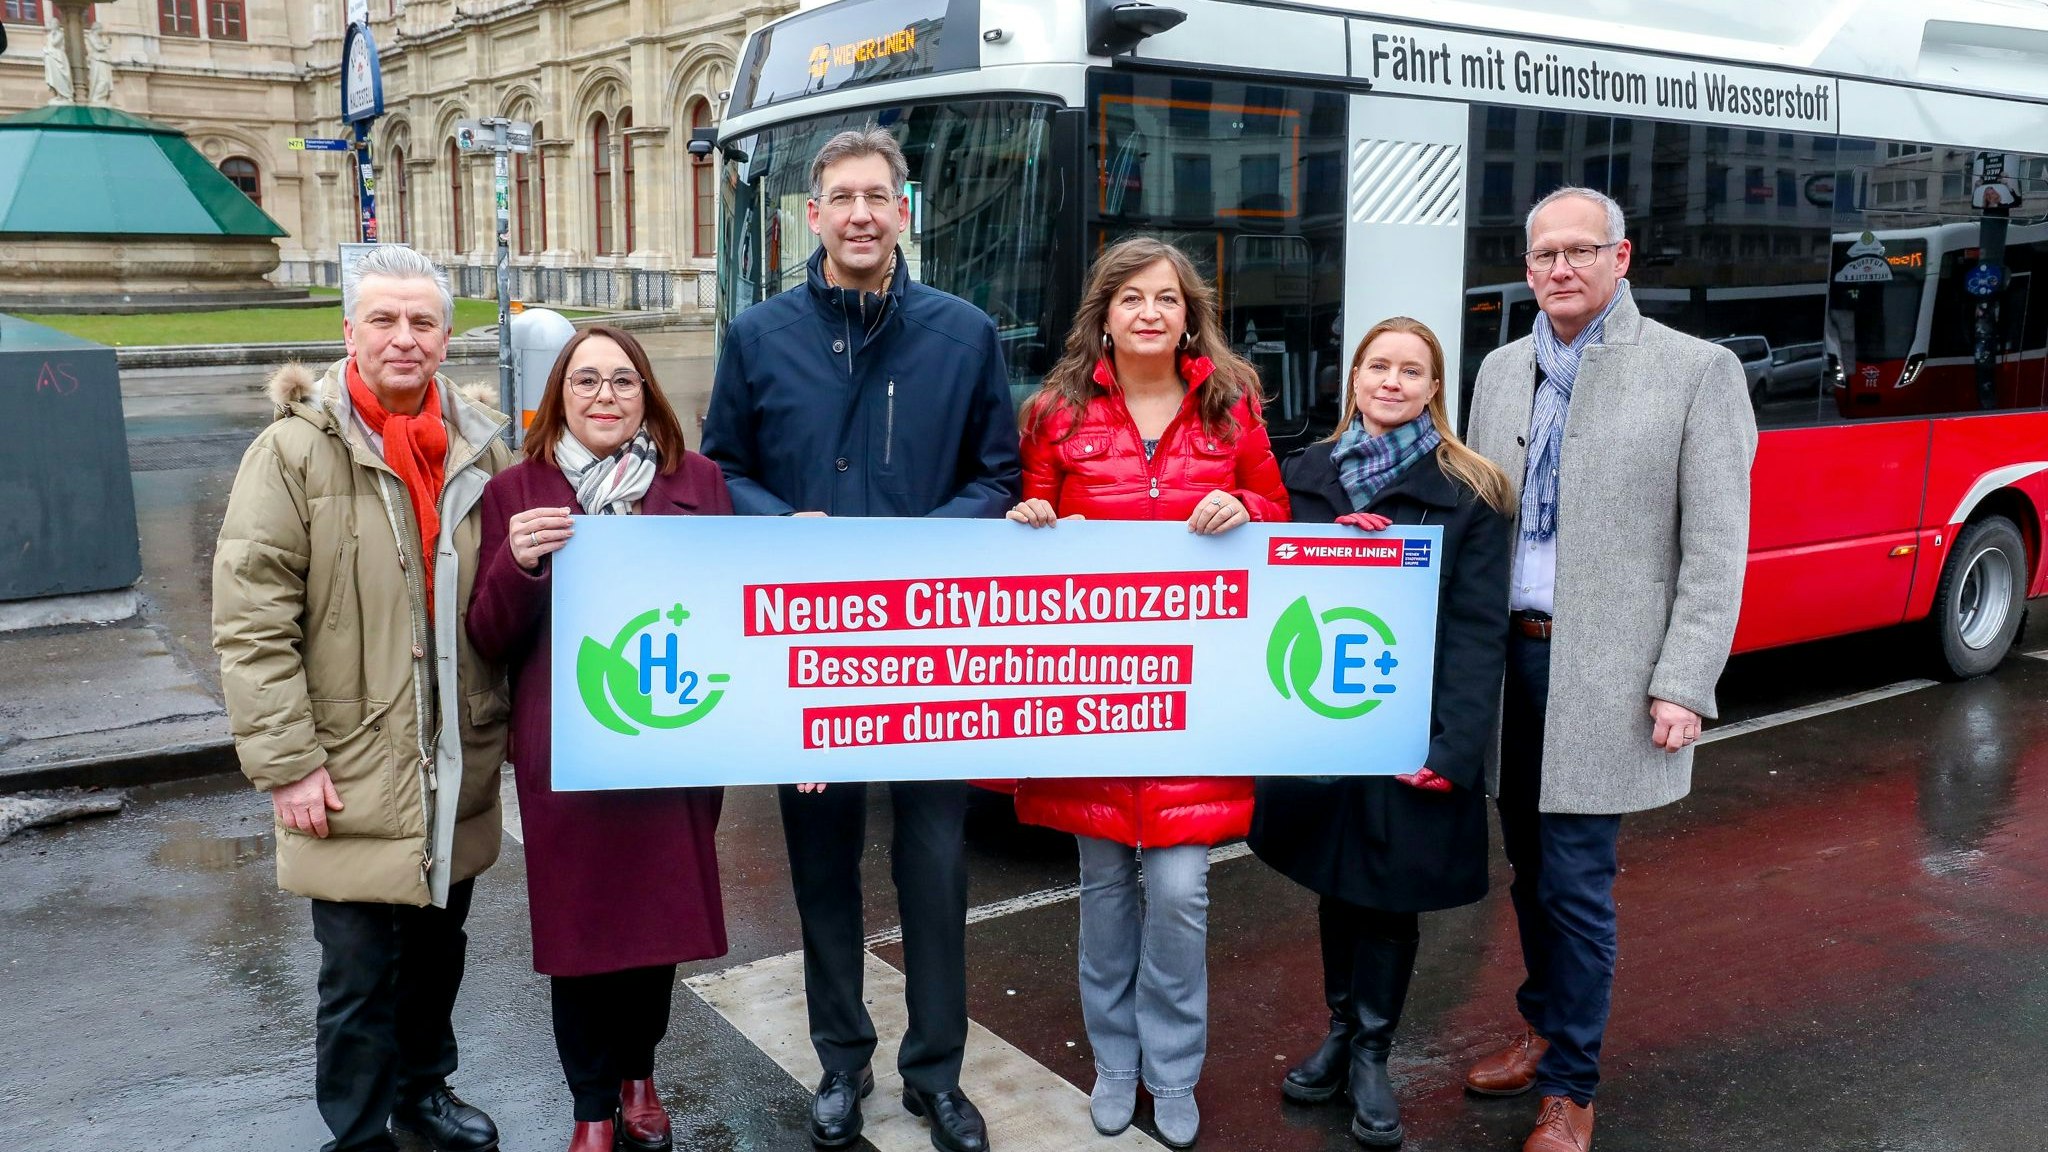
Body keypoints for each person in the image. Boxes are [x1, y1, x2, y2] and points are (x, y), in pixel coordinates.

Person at [699, 124, 1019, 1152]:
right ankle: (842, 1061)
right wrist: (773, 524)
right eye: (840, 197)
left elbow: (999, 478)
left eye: (877, 196)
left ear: (902, 210)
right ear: (813, 214)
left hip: (930, 649)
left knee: (934, 866)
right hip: (809, 653)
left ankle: (935, 1071)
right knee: (822, 868)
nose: (860, 214)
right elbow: (720, 469)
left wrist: (927, 545)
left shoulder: (963, 333)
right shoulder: (758, 336)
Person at [1463, 186, 1756, 1152]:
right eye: (1544, 254)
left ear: (1621, 260)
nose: (1560, 269)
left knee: (1577, 883)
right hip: (1513, 666)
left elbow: (1716, 545)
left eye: (1581, 251)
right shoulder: (1503, 371)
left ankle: (1572, 1088)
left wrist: (1685, 679)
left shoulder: (1694, 372)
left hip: (1608, 673)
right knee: (1530, 869)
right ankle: (1543, 1028)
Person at [213, 245, 512, 1152]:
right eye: (383, 319)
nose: (403, 339)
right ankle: (356, 1130)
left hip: (453, 753)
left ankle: (423, 1090)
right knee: (353, 970)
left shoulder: (481, 448)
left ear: (445, 337)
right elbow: (252, 619)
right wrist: (289, 763)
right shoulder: (294, 451)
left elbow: (509, 593)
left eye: (422, 322)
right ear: (349, 331)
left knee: (435, 951)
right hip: (344, 761)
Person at [1005, 234, 1288, 1148]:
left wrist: (1244, 509)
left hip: (1200, 690)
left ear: (1189, 311)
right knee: (1103, 890)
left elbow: (1279, 516)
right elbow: (1029, 520)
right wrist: (1035, 515)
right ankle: (1115, 1063)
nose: (1150, 313)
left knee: (1176, 889)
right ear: (1105, 313)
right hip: (1094, 691)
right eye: (1132, 298)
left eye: (1166, 298)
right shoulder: (1055, 412)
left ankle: (1172, 1071)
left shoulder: (1230, 408)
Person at [1249, 317, 1512, 1149]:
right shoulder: (1306, 475)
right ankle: (1338, 1030)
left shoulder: (1471, 492)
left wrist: (1451, 748)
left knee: (1389, 892)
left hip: (1411, 728)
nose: (1392, 382)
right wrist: (1325, 550)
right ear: (1353, 378)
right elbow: (1263, 586)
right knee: (1338, 879)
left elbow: (1477, 632)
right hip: (1325, 717)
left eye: (1411, 371)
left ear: (1436, 388)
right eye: (1378, 366)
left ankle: (1370, 1051)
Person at [466, 327, 731, 1152]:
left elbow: (732, 610)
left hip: (671, 738)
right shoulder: (516, 491)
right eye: (586, 382)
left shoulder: (700, 482)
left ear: (647, 394)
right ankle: (591, 1105)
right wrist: (518, 563)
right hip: (568, 750)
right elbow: (487, 635)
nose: (605, 396)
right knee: (582, 935)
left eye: (623, 381)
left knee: (655, 927)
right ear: (559, 397)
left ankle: (640, 1072)